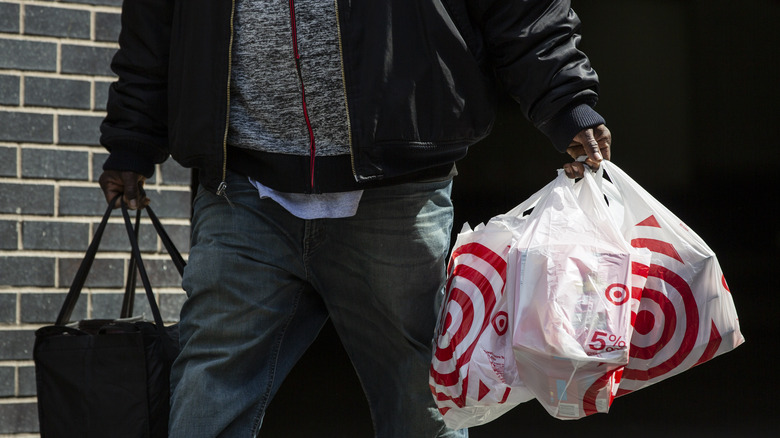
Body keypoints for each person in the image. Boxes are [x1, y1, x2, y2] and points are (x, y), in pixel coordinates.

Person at [98, 0, 611, 436]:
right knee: (205, 391)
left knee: (421, 400)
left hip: (396, 193)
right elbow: (153, 19)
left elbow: (521, 8)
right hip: (245, 191)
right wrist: (133, 138)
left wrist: (566, 101)